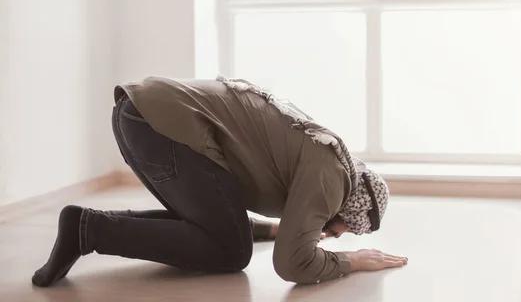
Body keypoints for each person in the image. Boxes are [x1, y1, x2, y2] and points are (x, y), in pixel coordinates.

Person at [32, 76, 407, 287]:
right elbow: (291, 265)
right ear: (350, 204)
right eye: (347, 227)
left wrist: (273, 230)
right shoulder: (332, 179)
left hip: (142, 117)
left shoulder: (326, 156)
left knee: (221, 233)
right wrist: (351, 261)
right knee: (231, 252)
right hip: (164, 129)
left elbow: (222, 207)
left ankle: (85, 226)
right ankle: (90, 231)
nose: (339, 234)